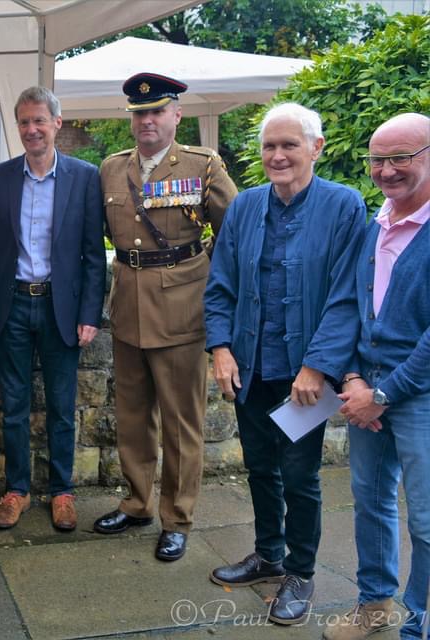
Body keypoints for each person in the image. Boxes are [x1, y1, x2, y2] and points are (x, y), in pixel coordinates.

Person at [204, 103, 366, 625]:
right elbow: (221, 284)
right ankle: (268, 554)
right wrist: (221, 348)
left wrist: (317, 367)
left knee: (299, 475)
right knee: (259, 467)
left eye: (289, 145)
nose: (277, 155)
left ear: (315, 148)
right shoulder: (247, 206)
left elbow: (347, 296)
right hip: (250, 369)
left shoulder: (343, 206)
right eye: (269, 146)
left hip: (304, 379)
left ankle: (300, 571)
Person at [93, 73, 237, 562]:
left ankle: (177, 518)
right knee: (133, 419)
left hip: (182, 310)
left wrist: (214, 297)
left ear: (177, 115)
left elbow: (232, 240)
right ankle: (136, 503)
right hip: (129, 307)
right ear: (130, 118)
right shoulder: (112, 170)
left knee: (181, 423)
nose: (147, 120)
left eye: (157, 111)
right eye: (139, 113)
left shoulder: (203, 166)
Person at [0, 86, 106, 532]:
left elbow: (92, 253)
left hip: (60, 310)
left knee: (61, 407)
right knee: (13, 405)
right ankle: (17, 490)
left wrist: (90, 314)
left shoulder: (85, 177)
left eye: (39, 120)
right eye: (25, 122)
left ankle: (62, 491)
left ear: (57, 123)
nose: (32, 129)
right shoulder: (1, 177)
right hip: (12, 306)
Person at [326, 113, 430, 640]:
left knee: (427, 521)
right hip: (367, 389)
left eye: (402, 157)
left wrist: (385, 392)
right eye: (378, 159)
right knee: (370, 502)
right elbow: (353, 308)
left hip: (418, 395)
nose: (387, 170)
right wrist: (353, 379)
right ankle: (375, 605)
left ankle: (420, 624)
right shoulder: (376, 223)